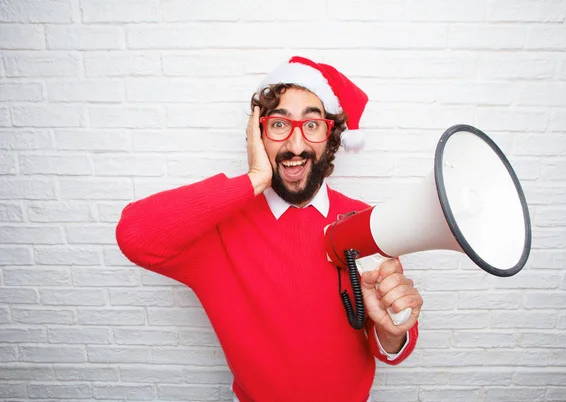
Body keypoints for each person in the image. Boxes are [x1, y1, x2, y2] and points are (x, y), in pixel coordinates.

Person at [116, 56, 423, 402]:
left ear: (331, 136)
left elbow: (394, 345)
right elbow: (134, 234)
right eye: (279, 125)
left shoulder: (365, 221)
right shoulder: (218, 230)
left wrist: (391, 329)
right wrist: (252, 180)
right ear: (258, 134)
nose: (295, 145)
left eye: (312, 124)